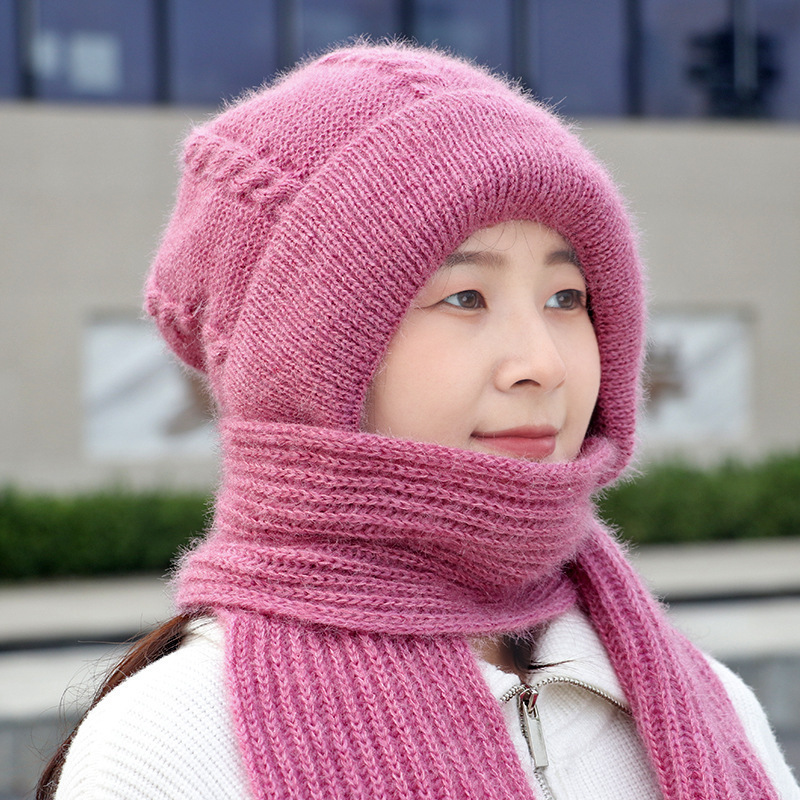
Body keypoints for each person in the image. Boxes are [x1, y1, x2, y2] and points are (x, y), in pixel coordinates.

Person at [39, 42, 799, 800]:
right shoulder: (174, 748)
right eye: (465, 297)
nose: (543, 363)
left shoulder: (705, 709)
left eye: (567, 298)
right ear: (305, 352)